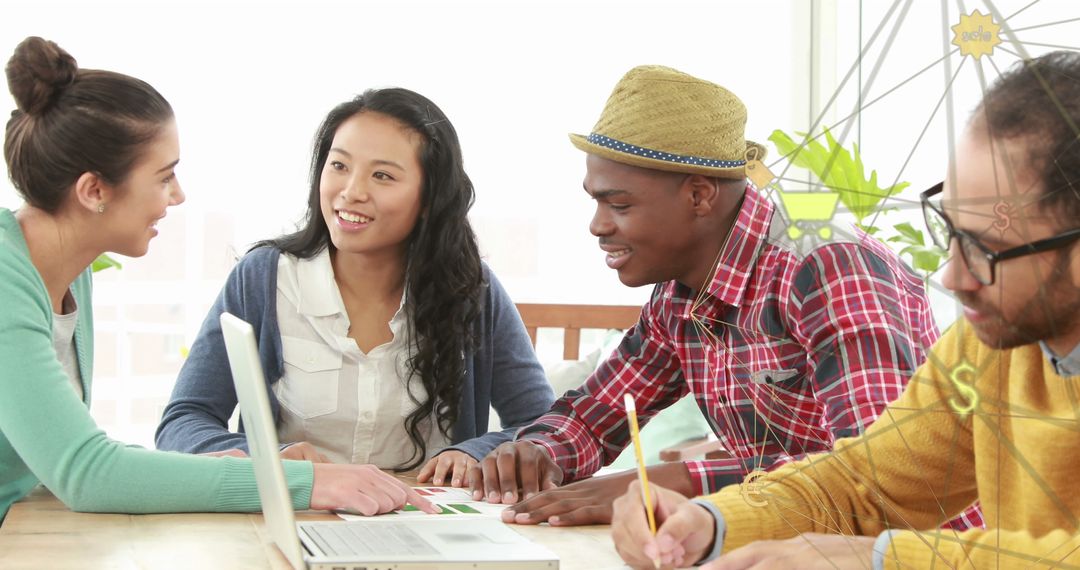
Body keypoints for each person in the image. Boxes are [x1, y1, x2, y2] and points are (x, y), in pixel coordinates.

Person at [609, 50, 1080, 569]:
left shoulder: (831, 263)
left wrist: (873, 558)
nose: (953, 277)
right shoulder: (989, 347)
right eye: (951, 231)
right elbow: (865, 483)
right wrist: (712, 521)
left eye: (985, 248)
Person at [468, 65, 981, 531]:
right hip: (788, 544)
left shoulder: (828, 265)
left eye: (618, 204)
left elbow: (881, 469)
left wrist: (680, 480)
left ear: (699, 195)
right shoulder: (678, 292)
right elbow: (595, 413)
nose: (598, 226)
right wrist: (539, 451)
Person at [0, 36, 434, 522]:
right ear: (94, 190)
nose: (178, 195)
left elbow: (63, 451)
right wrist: (307, 483)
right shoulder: (5, 279)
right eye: (164, 177)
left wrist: (235, 469)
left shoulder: (67, 276)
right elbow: (86, 473)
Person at [155, 87, 555, 488]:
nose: (351, 191)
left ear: (430, 197)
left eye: (382, 175)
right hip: (296, 520)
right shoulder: (262, 278)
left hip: (425, 526)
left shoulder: (473, 290)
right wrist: (270, 459)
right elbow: (183, 421)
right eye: (339, 166)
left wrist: (474, 452)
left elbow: (544, 427)